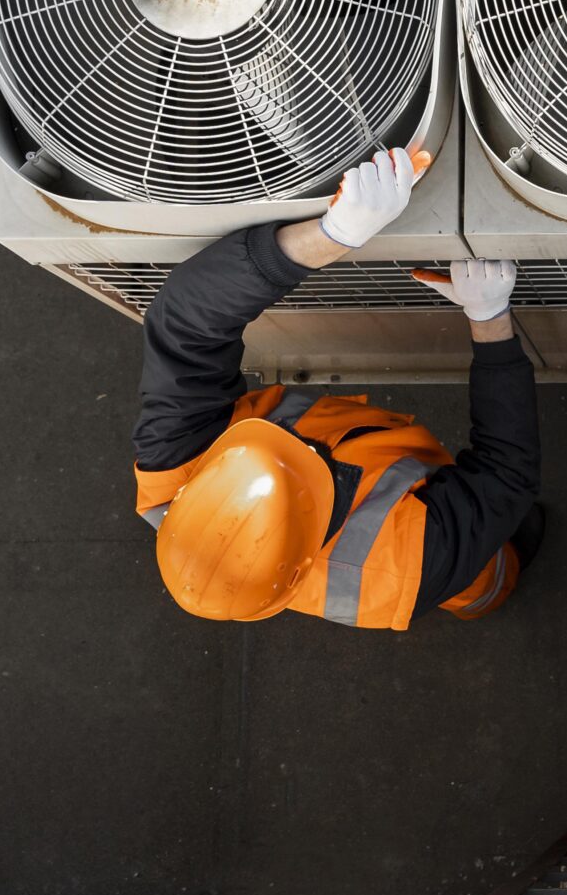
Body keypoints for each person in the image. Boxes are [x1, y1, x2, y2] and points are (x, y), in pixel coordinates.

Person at [131, 146, 541, 628]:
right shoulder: (405, 570)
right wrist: (490, 322)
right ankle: (494, 588)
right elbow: (506, 471)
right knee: (490, 566)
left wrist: (331, 235)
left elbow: (185, 322)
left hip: (398, 484)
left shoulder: (175, 466)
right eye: (303, 460)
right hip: (447, 562)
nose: (300, 445)